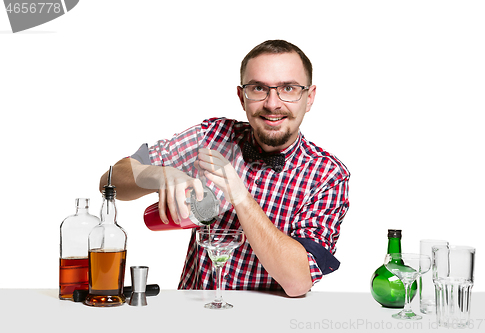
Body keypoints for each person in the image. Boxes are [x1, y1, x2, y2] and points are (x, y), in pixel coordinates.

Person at [99, 40, 350, 297]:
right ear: (242, 97)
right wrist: (161, 174)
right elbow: (110, 180)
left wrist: (239, 196)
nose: (272, 103)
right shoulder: (213, 136)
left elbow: (298, 281)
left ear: (309, 98)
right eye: (258, 88)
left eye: (288, 88)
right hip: (193, 316)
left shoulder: (328, 176)